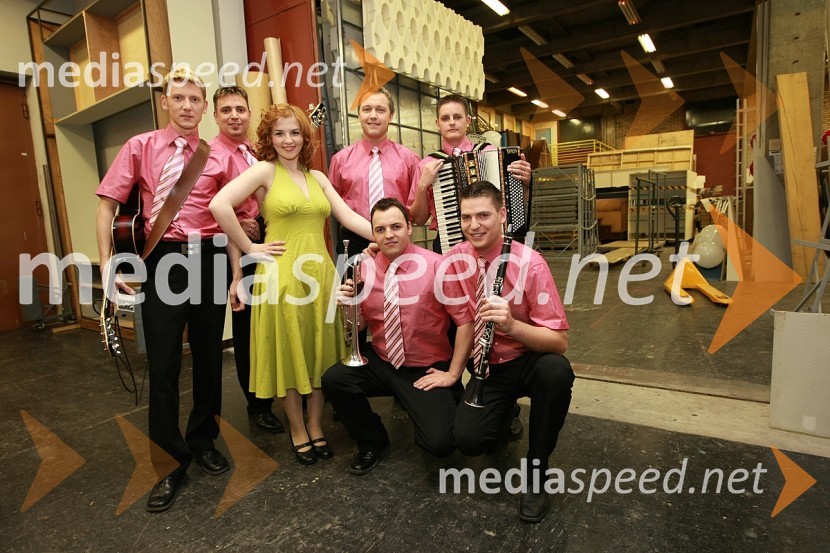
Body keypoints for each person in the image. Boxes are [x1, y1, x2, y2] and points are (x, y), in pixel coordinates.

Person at [95, 68, 236, 512]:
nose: (188, 106)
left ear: (204, 106)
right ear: (166, 102)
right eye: (180, 98)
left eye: (196, 99)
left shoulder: (217, 156)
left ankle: (204, 439)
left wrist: (235, 273)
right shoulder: (139, 147)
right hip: (163, 261)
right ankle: (169, 464)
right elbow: (107, 206)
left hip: (210, 256)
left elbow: (232, 216)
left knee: (211, 356)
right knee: (164, 362)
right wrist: (107, 261)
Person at [210, 104, 373, 466]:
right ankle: (297, 429)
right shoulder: (263, 171)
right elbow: (219, 205)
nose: (288, 140)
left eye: (295, 132)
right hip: (281, 277)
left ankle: (316, 426)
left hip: (320, 277)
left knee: (319, 355)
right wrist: (251, 246)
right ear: (269, 138)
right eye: (280, 133)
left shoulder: (318, 177)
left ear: (304, 137)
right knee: (289, 353)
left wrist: (391, 236)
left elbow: (347, 217)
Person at [446, 181, 574, 524]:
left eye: (484, 215)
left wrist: (512, 325)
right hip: (488, 368)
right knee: (469, 441)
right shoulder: (455, 260)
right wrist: (375, 257)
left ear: (502, 215)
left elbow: (559, 342)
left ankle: (537, 472)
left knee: (556, 372)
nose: (475, 225)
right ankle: (504, 416)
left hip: (528, 359)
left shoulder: (530, 263)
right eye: (467, 217)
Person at [322, 198, 473, 475]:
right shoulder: (364, 269)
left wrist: (453, 373)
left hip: (425, 366)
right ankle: (372, 440)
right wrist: (349, 306)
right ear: (373, 234)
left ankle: (451, 393)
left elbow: (465, 322)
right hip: (383, 360)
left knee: (440, 444)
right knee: (335, 379)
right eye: (380, 229)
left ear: (409, 227)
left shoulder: (438, 266)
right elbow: (358, 327)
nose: (388, 234)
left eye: (395, 226)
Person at [209, 86, 285, 434]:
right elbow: (205, 210)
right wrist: (238, 230)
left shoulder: (255, 154)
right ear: (216, 116)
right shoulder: (210, 156)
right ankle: (257, 404)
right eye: (226, 110)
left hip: (266, 243)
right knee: (246, 331)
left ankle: (279, 388)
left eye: (240, 109)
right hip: (236, 248)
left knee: (271, 321)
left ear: (249, 114)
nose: (235, 116)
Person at [407, 93, 532, 254]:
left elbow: (514, 205)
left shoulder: (494, 153)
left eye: (457, 117)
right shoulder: (426, 165)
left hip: (493, 242)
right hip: (449, 244)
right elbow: (419, 219)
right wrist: (422, 186)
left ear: (467, 121)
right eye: (445, 118)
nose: (451, 122)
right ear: (438, 124)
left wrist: (525, 183)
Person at [329, 88, 420, 256]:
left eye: (380, 110)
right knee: (349, 283)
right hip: (352, 243)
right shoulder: (340, 160)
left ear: (391, 116)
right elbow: (334, 208)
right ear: (359, 115)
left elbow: (415, 209)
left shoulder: (410, 160)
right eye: (366, 109)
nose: (373, 115)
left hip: (397, 242)